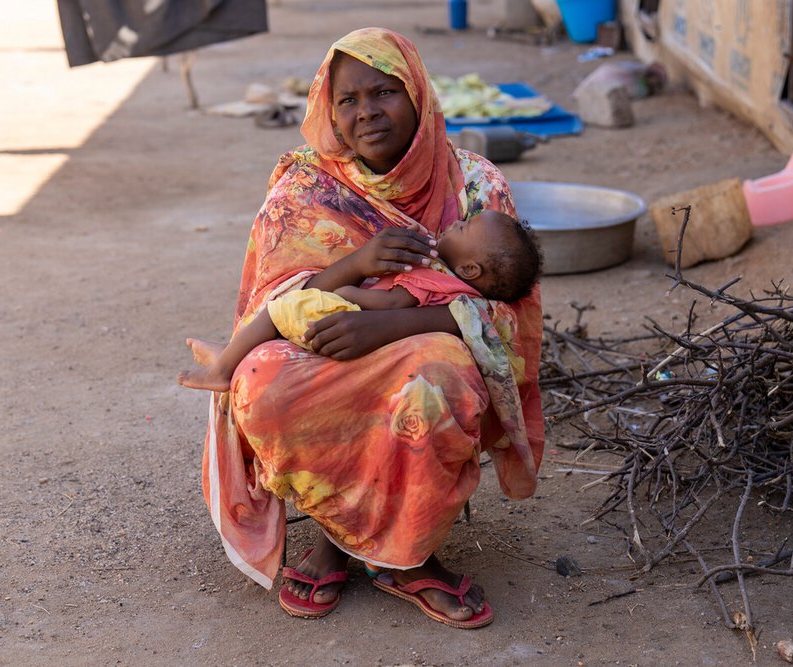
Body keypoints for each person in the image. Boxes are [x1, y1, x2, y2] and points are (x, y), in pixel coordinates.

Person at [195, 27, 544, 629]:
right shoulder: (304, 187)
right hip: (317, 343)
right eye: (348, 100)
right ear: (327, 110)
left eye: (383, 92)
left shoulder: (477, 186)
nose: (366, 113)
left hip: (417, 351)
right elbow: (270, 299)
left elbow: (510, 315)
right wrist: (350, 268)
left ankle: (409, 556)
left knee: (441, 378)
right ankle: (335, 532)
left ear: (417, 94)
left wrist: (389, 328)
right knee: (259, 382)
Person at [177, 209, 542, 393]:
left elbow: (392, 305)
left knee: (280, 308)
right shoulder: (452, 283)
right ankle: (230, 355)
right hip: (352, 323)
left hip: (351, 318)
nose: (455, 223)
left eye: (462, 228)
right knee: (283, 320)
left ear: (470, 267)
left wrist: (348, 292)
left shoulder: (437, 279)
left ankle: (222, 369)